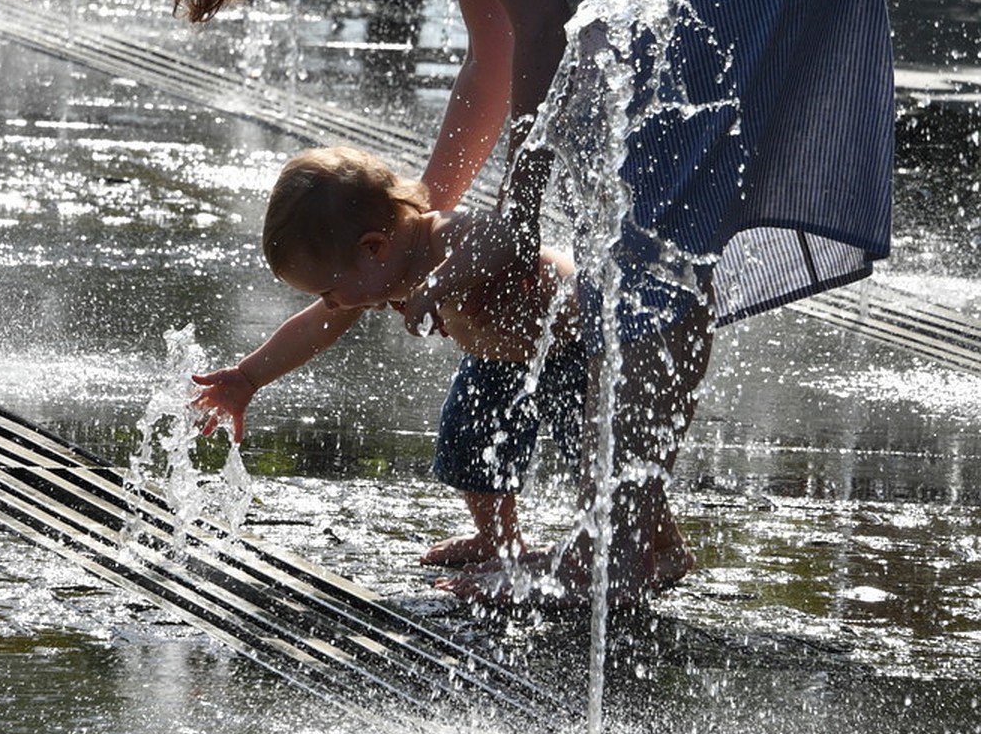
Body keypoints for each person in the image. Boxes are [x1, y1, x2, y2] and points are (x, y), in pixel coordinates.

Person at [158, 0, 893, 606]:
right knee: (653, 251)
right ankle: (632, 535)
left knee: (649, 258)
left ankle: (624, 546)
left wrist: (524, 206)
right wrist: (429, 212)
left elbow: (544, 19)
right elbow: (495, 54)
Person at [190, 145, 695, 592]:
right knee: (468, 446)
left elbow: (504, 237)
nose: (331, 302)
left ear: (373, 248)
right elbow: (317, 326)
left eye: (329, 289)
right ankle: (499, 540)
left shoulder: (442, 234)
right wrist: (249, 376)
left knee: (602, 458)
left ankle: (660, 544)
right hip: (498, 362)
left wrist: (435, 286)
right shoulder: (378, 271)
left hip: (572, 351)